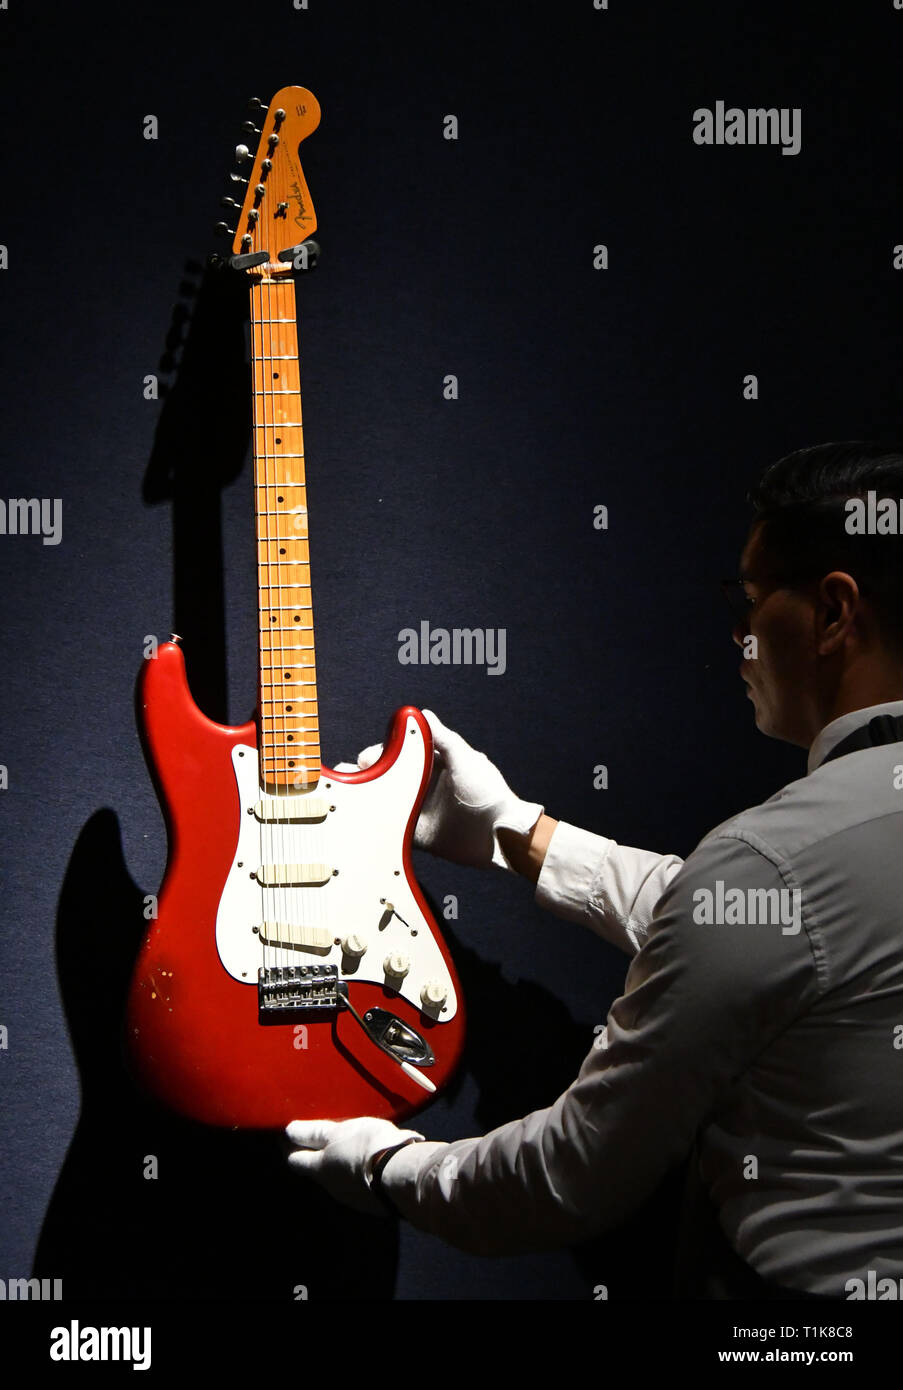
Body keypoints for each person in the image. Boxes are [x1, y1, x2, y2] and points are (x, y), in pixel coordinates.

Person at [286, 441, 903, 1299]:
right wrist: (516, 829)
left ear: (834, 613)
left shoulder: (772, 863)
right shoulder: (792, 869)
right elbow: (763, 923)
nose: (737, 633)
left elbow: (570, 1172)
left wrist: (389, 1165)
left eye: (750, 601)